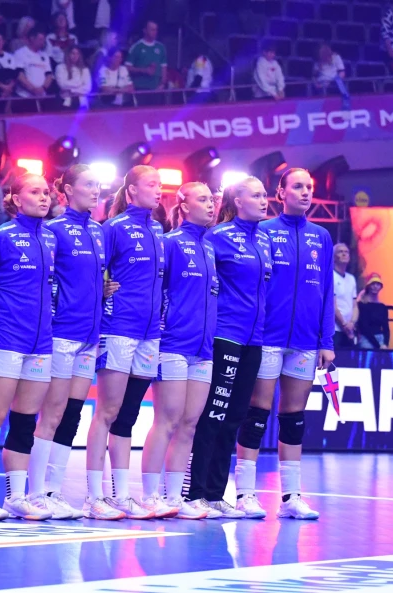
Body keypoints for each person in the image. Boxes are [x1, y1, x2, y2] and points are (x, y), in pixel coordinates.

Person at [233, 168, 335, 521]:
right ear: (281, 192)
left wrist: (326, 340)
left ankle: (291, 498)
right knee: (257, 412)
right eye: (298, 186)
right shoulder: (262, 231)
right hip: (266, 338)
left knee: (293, 418)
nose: (305, 192)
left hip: (305, 341)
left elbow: (327, 291)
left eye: (309, 187)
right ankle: (244, 494)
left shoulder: (321, 236)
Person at [0, 173, 57, 520]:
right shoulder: (0, 237)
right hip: (5, 338)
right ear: (16, 199)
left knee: (24, 421)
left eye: (46, 192)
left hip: (41, 341)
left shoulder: (49, 238)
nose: (44, 197)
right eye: (35, 192)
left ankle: (16, 497)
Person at [30, 165, 115, 520]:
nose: (96, 191)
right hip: (62, 334)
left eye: (98, 185)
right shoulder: (53, 230)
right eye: (88, 185)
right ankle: (35, 493)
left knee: (72, 414)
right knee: (51, 413)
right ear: (67, 189)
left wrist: (102, 291)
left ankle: (54, 490)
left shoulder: (98, 231)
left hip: (89, 336)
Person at [186, 175, 272, 519]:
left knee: (234, 417)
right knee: (214, 414)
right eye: (257, 195)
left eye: (265, 195)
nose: (264, 201)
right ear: (238, 201)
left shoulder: (264, 239)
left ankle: (216, 494)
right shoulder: (218, 236)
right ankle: (194, 493)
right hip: (225, 336)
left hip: (254, 339)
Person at [84, 165, 164, 520]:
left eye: (160, 185)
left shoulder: (158, 229)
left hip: (150, 334)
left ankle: (122, 495)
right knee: (108, 412)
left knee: (128, 415)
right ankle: (93, 496)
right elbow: (92, 270)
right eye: (151, 184)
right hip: (118, 328)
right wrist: (100, 289)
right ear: (131, 191)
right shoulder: (113, 228)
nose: (158, 190)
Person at [139, 182, 217, 520]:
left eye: (212, 199)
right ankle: (149, 496)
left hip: (204, 348)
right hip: (173, 344)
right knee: (167, 421)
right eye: (203, 199)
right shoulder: (169, 243)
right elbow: (154, 289)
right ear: (184, 206)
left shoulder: (209, 247)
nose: (211, 205)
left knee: (189, 423)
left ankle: (175, 497)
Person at [126, 20, 167, 105]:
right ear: (145, 30)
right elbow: (127, 68)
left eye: (156, 29)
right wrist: (144, 70)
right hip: (140, 89)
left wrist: (162, 84)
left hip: (156, 89)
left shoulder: (161, 47)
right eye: (152, 29)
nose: (155, 32)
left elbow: (164, 68)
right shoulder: (136, 47)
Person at [13, 28, 53, 113]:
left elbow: (49, 75)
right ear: (32, 38)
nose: (43, 42)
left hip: (42, 97)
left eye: (43, 39)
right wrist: (33, 89)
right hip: (25, 97)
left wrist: (43, 88)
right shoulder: (20, 53)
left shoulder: (44, 55)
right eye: (40, 39)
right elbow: (19, 75)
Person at [333, 243, 358, 348]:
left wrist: (351, 323)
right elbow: (332, 305)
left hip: (349, 330)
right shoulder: (330, 276)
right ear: (334, 256)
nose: (344, 254)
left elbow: (355, 305)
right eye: (340, 251)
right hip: (334, 329)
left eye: (346, 252)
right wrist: (344, 324)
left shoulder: (351, 278)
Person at [357, 274, 390, 349]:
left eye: (378, 284)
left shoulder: (382, 307)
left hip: (380, 338)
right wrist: (378, 346)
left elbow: (386, 327)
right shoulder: (362, 305)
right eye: (373, 284)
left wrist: (385, 344)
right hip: (366, 338)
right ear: (369, 286)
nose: (375, 286)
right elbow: (364, 327)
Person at [313, 42, 349, 109]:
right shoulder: (318, 61)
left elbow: (342, 72)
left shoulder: (336, 57)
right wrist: (316, 83)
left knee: (339, 82)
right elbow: (314, 76)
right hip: (321, 82)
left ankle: (345, 101)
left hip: (334, 80)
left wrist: (334, 81)